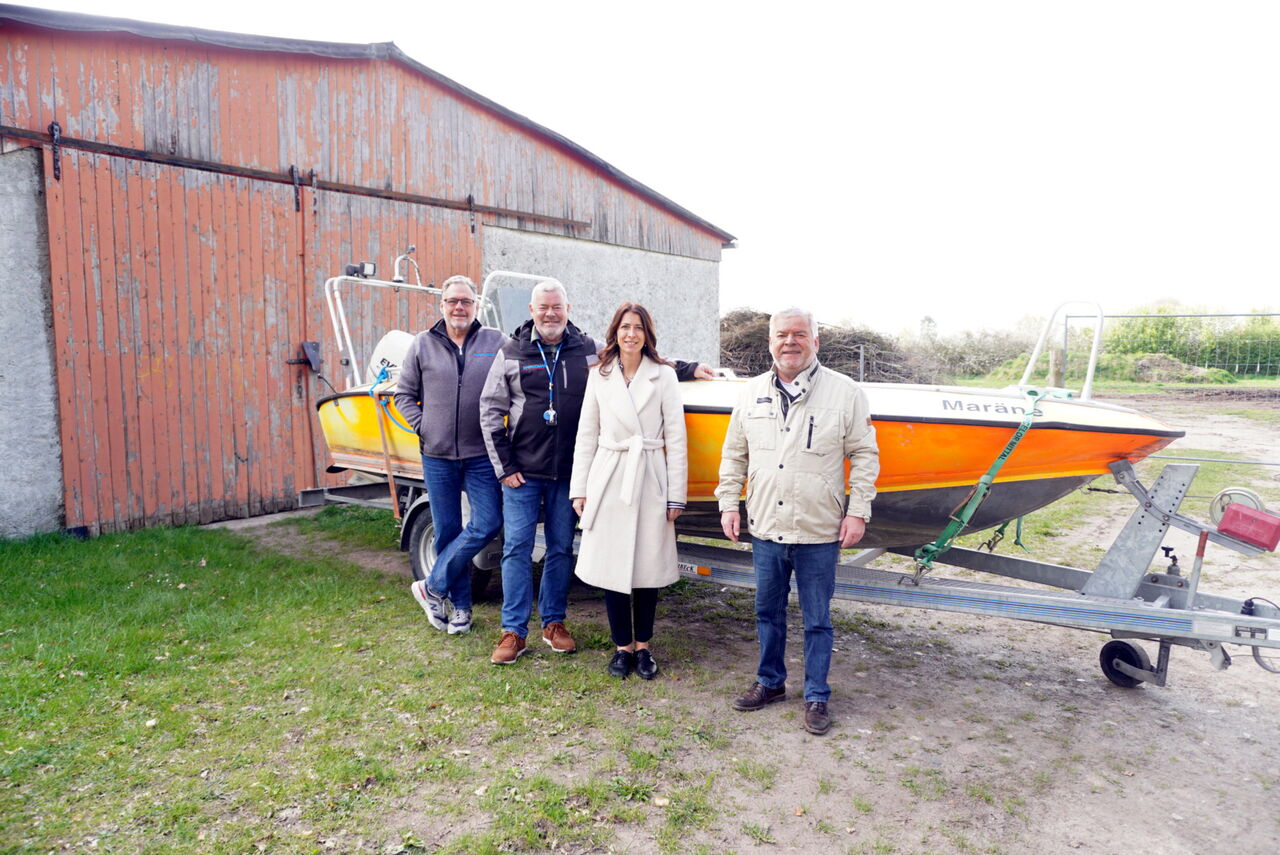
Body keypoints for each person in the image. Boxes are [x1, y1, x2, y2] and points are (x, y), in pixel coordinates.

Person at [480, 281, 713, 665]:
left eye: (557, 306)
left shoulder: (586, 350)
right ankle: (513, 631)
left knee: (559, 549)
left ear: (567, 307)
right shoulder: (511, 351)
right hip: (524, 468)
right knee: (516, 548)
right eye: (543, 307)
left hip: (569, 468)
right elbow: (490, 409)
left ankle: (554, 623)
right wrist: (504, 467)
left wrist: (689, 368)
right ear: (532, 308)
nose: (551, 313)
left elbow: (638, 355)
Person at [715, 306, 879, 735]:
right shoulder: (750, 393)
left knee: (816, 618)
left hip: (818, 528)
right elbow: (734, 454)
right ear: (770, 342)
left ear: (815, 341)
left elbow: (864, 454)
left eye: (800, 334)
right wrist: (729, 504)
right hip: (766, 524)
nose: (790, 341)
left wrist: (858, 510)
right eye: (782, 335)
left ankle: (816, 696)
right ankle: (770, 683)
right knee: (766, 611)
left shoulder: (845, 393)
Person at [569, 303, 688, 680]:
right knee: (612, 567)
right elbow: (586, 433)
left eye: (638, 328)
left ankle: (644, 648)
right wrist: (580, 489)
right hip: (609, 475)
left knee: (647, 567)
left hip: (650, 474)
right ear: (615, 332)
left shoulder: (663, 376)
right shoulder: (599, 374)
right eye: (624, 327)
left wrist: (676, 495)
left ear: (647, 334)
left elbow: (677, 438)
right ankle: (622, 647)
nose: (631, 334)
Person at [394, 275, 505, 636]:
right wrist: (424, 426)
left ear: (476, 306)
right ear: (442, 305)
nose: (460, 307)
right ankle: (460, 609)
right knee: (446, 531)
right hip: (437, 455)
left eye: (466, 301)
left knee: (487, 523)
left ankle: (432, 586)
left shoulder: (495, 341)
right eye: (453, 301)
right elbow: (403, 395)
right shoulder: (422, 344)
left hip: (480, 455)